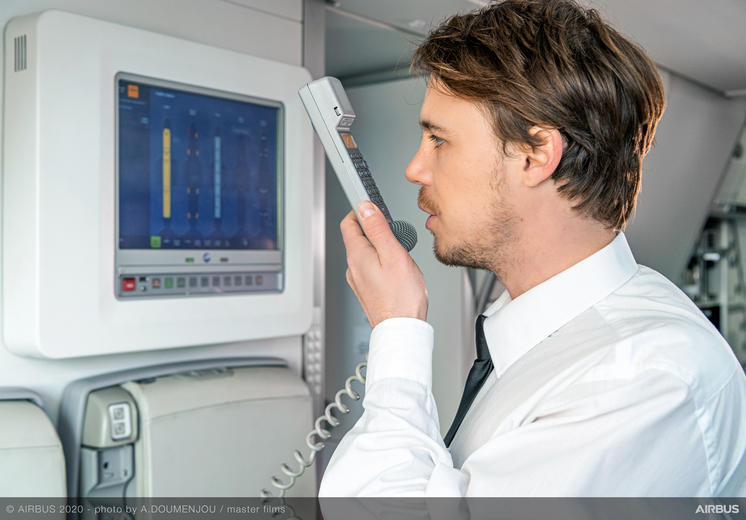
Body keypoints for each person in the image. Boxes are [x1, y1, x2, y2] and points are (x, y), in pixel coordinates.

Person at [319, 0, 746, 496]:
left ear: (537, 153)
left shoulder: (645, 376)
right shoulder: (542, 334)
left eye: (438, 140)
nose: (415, 169)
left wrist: (398, 329)